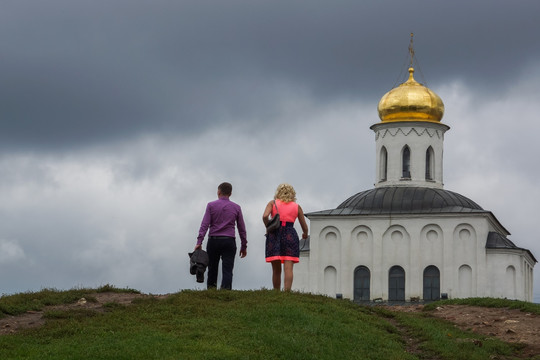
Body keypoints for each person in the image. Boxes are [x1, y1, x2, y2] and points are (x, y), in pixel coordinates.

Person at [195, 182, 247, 290]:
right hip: (229, 241)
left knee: (212, 268)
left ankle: (211, 291)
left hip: (213, 240)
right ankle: (226, 292)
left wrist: (199, 242)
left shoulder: (211, 205)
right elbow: (242, 228)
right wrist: (244, 246)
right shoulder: (236, 207)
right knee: (228, 269)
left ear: (218, 191)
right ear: (230, 193)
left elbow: (204, 225)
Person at [262, 183, 308, 291]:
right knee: (288, 267)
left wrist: (268, 225)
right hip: (290, 234)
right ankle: (287, 292)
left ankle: (276, 291)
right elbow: (304, 226)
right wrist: (305, 234)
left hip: (274, 234)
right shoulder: (297, 207)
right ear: (292, 194)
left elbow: (264, 216)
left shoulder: (272, 203)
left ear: (278, 192)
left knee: (276, 268)